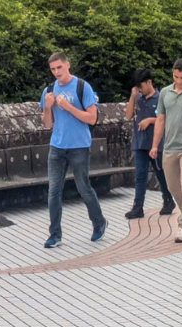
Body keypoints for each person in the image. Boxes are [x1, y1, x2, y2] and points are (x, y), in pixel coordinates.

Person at [39, 52, 107, 248]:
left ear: (67, 65)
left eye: (59, 67)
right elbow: (47, 124)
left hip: (79, 146)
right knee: (53, 191)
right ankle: (55, 235)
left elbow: (92, 118)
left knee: (83, 187)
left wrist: (68, 107)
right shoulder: (48, 90)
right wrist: (47, 107)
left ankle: (99, 222)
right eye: (53, 69)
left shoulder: (82, 87)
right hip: (57, 147)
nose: (56, 72)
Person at [149, 59, 182, 243]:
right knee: (173, 188)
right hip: (169, 147)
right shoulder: (165, 92)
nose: (179, 81)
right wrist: (155, 145)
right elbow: (160, 120)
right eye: (176, 77)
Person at [125, 68, 175, 220]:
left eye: (141, 86)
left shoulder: (160, 98)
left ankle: (168, 200)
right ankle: (138, 206)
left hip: (156, 143)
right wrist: (132, 97)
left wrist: (149, 120)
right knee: (140, 175)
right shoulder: (138, 98)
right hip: (139, 142)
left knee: (161, 173)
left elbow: (166, 120)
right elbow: (128, 115)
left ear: (149, 82)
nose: (140, 90)